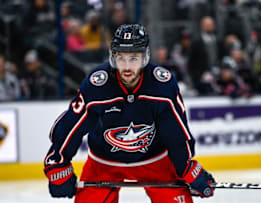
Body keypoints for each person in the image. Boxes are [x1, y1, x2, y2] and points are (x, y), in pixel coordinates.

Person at [43, 24, 215, 202]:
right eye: (121, 58)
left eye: (133, 58)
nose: (126, 67)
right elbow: (70, 126)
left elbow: (176, 134)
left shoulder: (162, 85)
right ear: (113, 56)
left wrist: (187, 168)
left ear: (145, 57)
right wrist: (58, 164)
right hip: (104, 162)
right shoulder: (97, 86)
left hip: (155, 160)